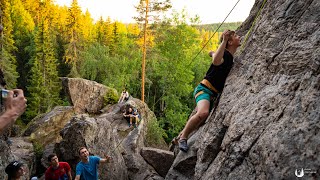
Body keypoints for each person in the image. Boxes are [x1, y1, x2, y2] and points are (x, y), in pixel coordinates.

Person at [178, 30, 241, 152]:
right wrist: (222, 42)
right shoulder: (225, 55)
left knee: (200, 121)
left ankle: (180, 135)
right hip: (204, 90)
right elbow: (216, 61)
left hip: (212, 94)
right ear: (230, 42)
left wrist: (212, 52)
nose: (240, 37)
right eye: (236, 36)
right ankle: (183, 138)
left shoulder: (229, 57)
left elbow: (215, 56)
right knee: (203, 113)